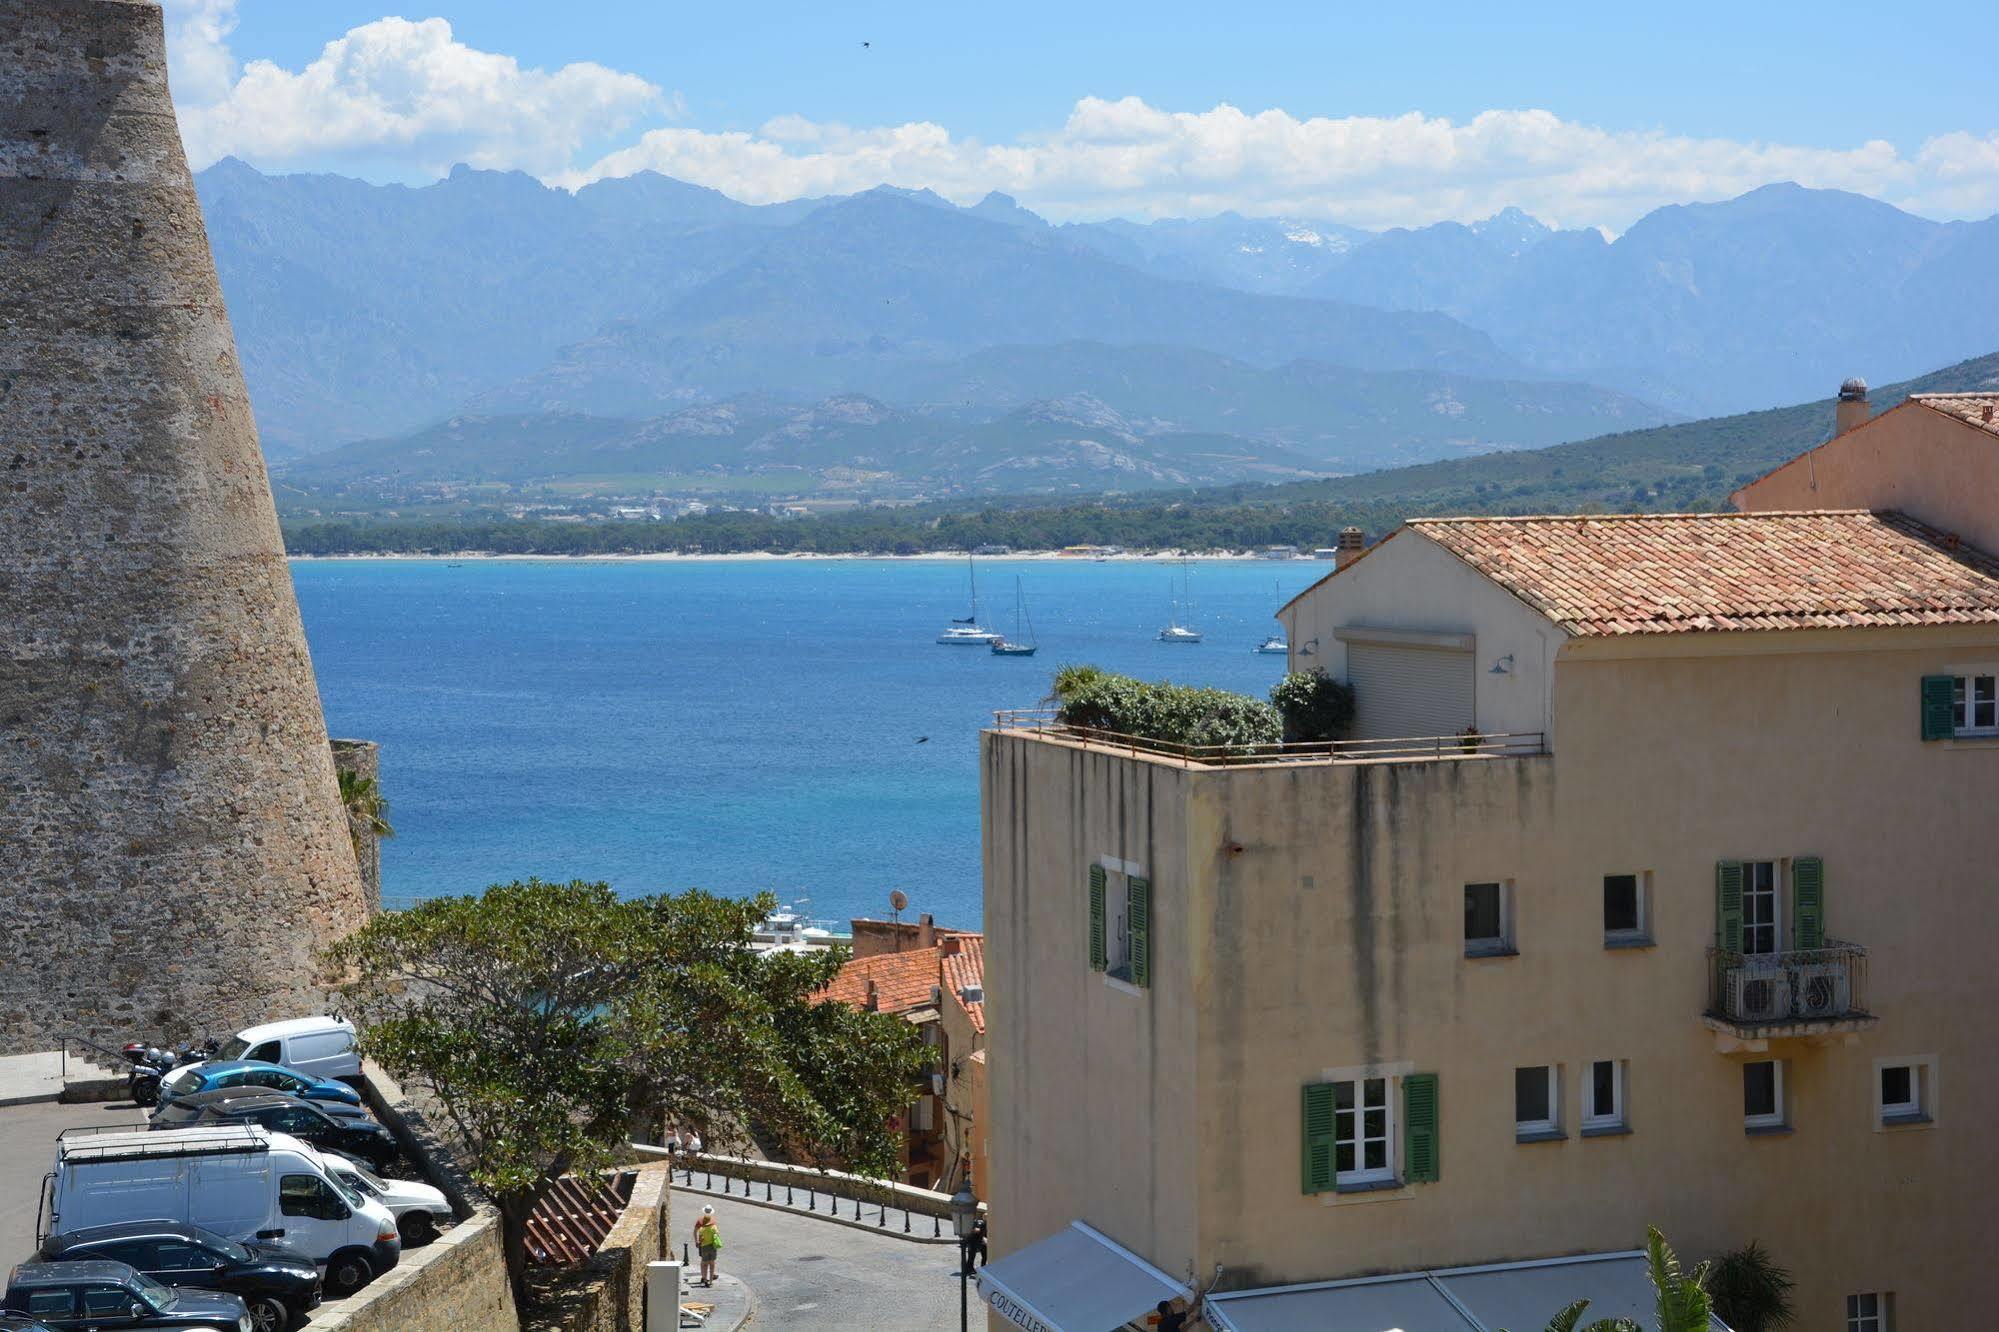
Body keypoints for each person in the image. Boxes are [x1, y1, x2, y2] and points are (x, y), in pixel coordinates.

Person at [694, 1205, 722, 1287]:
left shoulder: (700, 1221)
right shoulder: (713, 1221)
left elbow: (695, 1232)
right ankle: (710, 1280)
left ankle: (704, 1278)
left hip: (703, 1245)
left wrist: (697, 1241)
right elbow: (716, 1234)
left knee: (704, 1263)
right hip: (713, 1246)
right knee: (712, 1263)